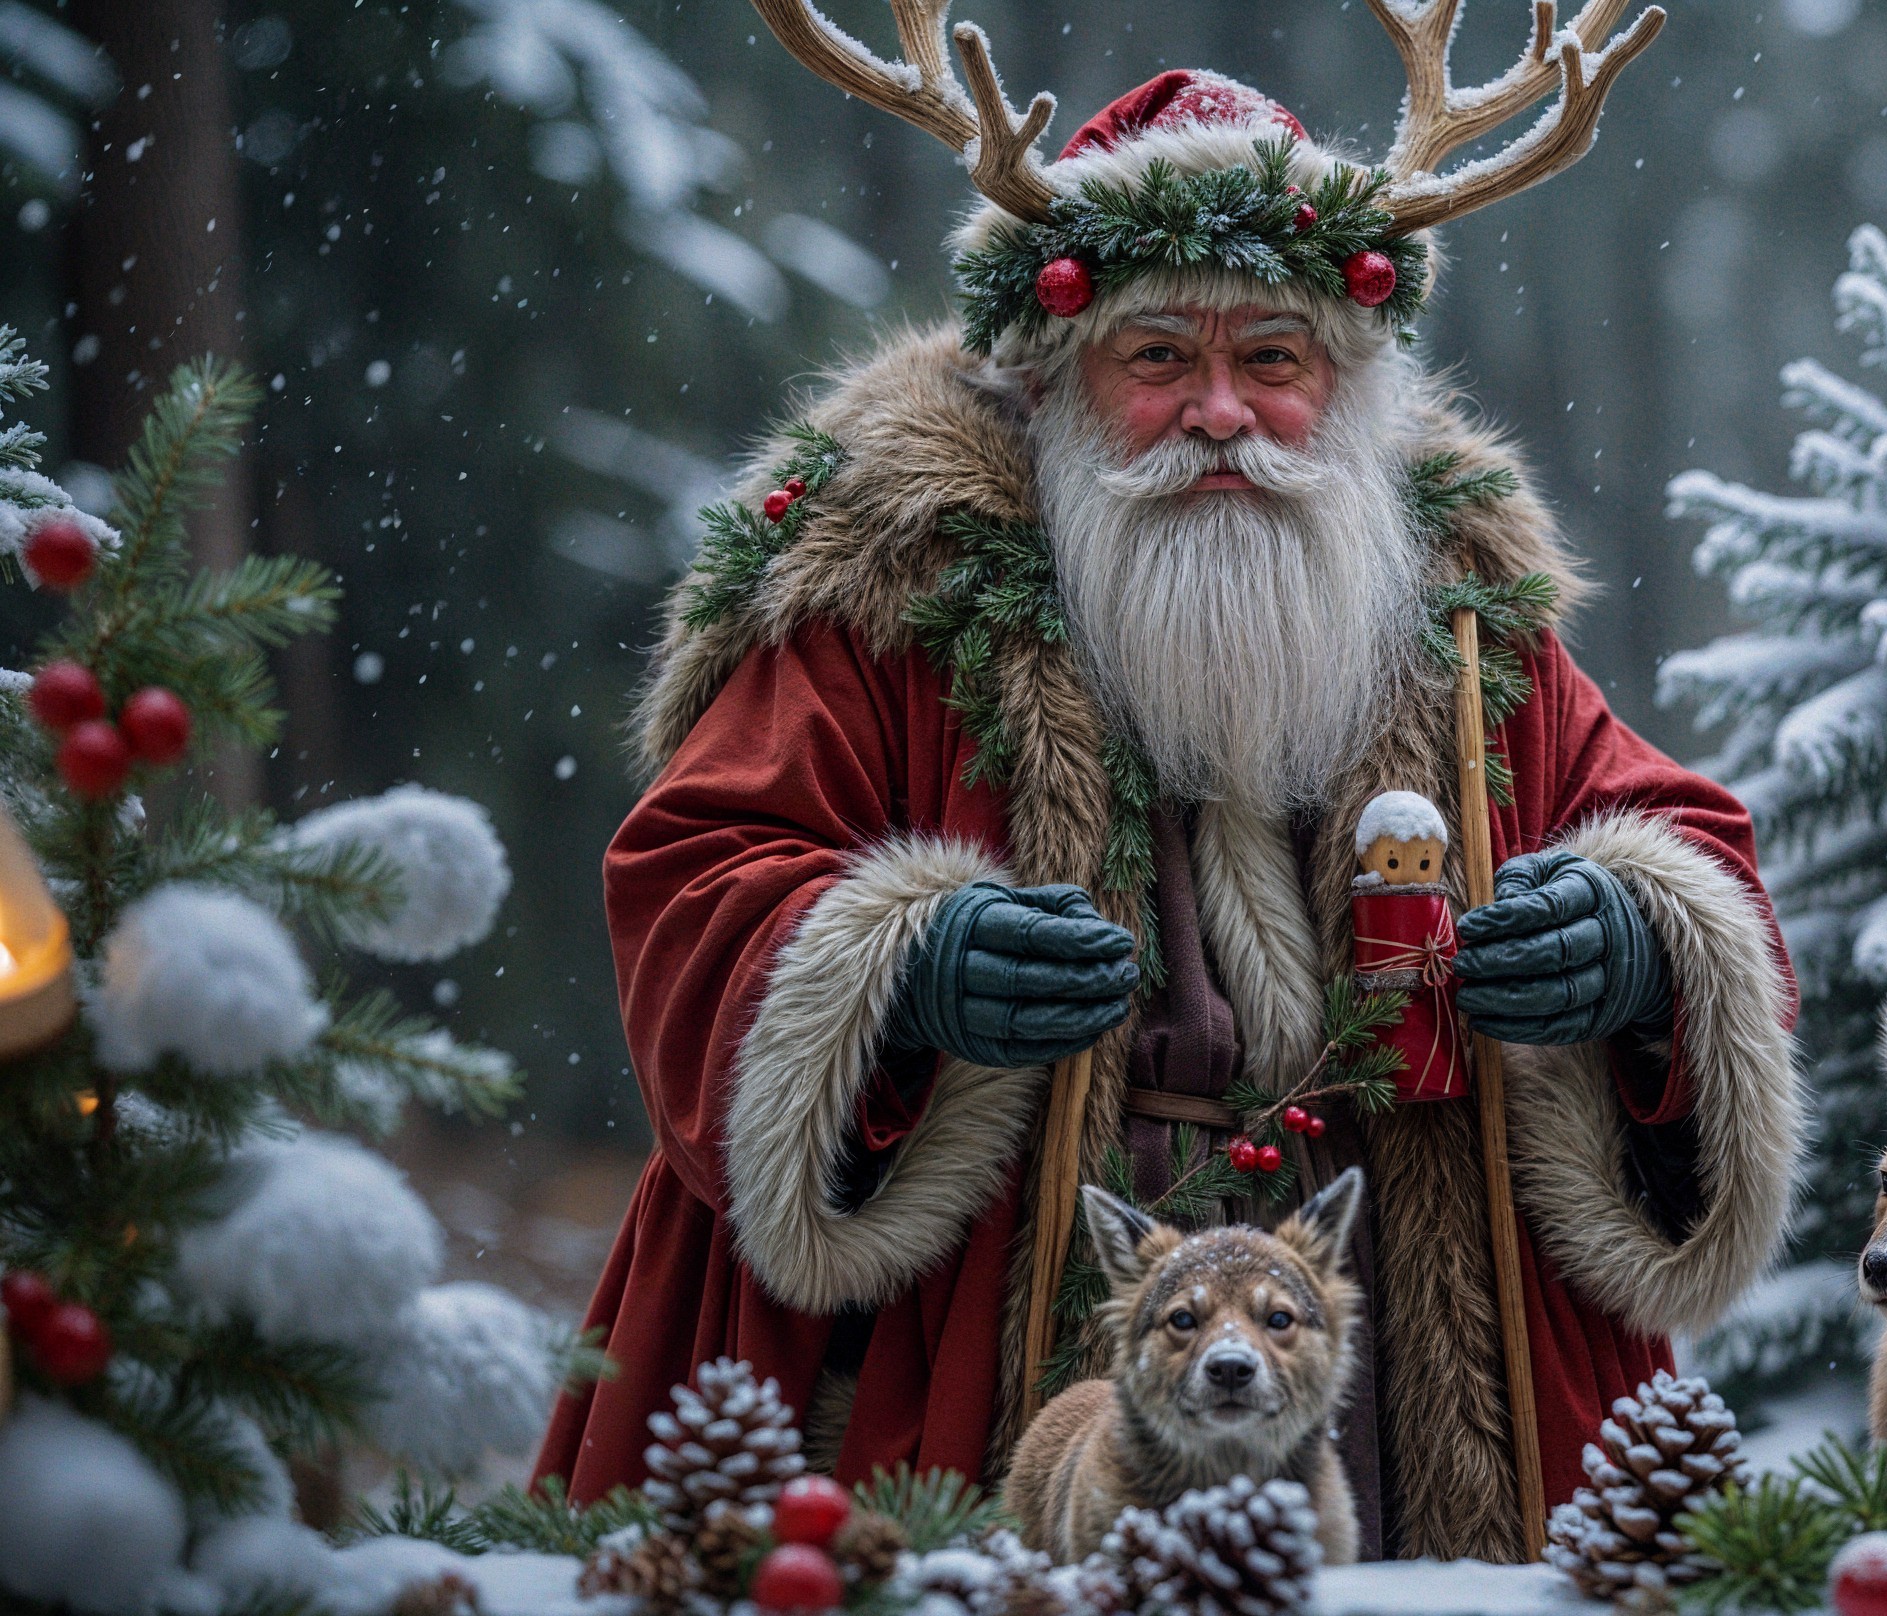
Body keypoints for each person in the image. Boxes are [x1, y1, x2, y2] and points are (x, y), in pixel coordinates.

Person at [536, 0, 1801, 1561]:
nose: (1221, 413)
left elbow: (1680, 840)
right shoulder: (891, 592)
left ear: (1343, 385)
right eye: (1158, 358)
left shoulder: (1459, 618)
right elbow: (693, 874)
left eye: (1271, 359)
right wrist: (893, 960)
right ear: (1057, 374)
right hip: (988, 1293)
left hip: (1380, 1313)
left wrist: (1635, 935)